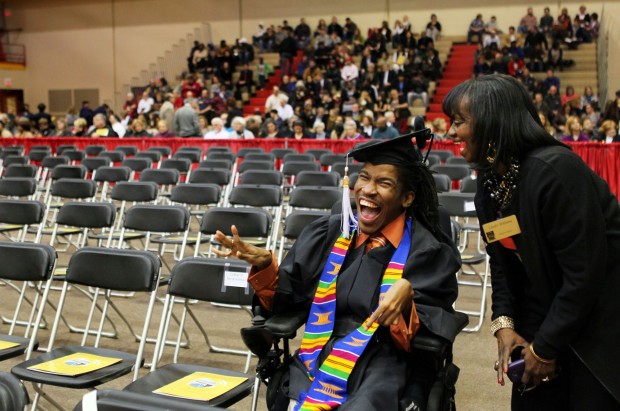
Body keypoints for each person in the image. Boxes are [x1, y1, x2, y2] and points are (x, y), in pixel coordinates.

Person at [214, 127, 461, 411]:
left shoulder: (426, 252)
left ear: (407, 198)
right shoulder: (330, 233)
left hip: (385, 360)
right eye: (364, 178)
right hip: (321, 348)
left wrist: (406, 301)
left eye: (384, 183)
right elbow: (288, 298)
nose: (368, 189)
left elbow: (424, 339)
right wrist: (266, 266)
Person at [443, 74, 620, 410]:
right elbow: (502, 261)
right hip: (547, 309)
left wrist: (545, 347)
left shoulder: (555, 171)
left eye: (460, 122)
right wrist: (504, 324)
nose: (451, 132)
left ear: (493, 122)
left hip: (599, 323)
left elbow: (584, 276)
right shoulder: (490, 183)